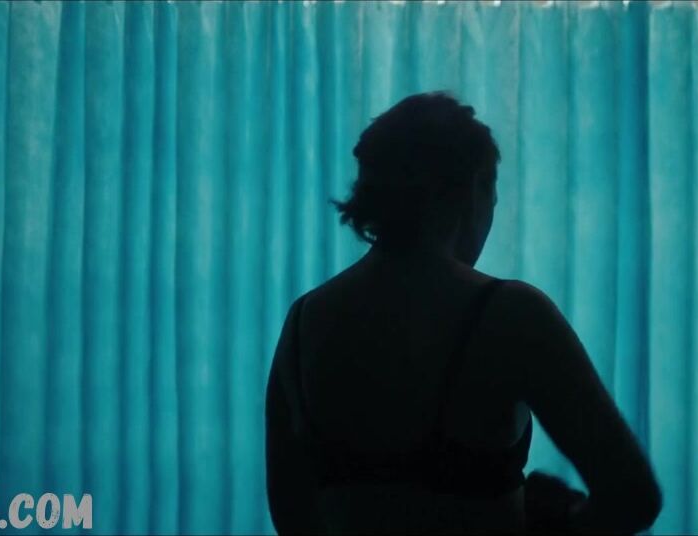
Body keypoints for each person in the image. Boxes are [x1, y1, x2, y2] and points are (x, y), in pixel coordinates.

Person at [265, 92, 660, 534]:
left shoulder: (303, 324)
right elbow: (634, 497)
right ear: (473, 189)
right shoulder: (513, 316)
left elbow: (291, 516)